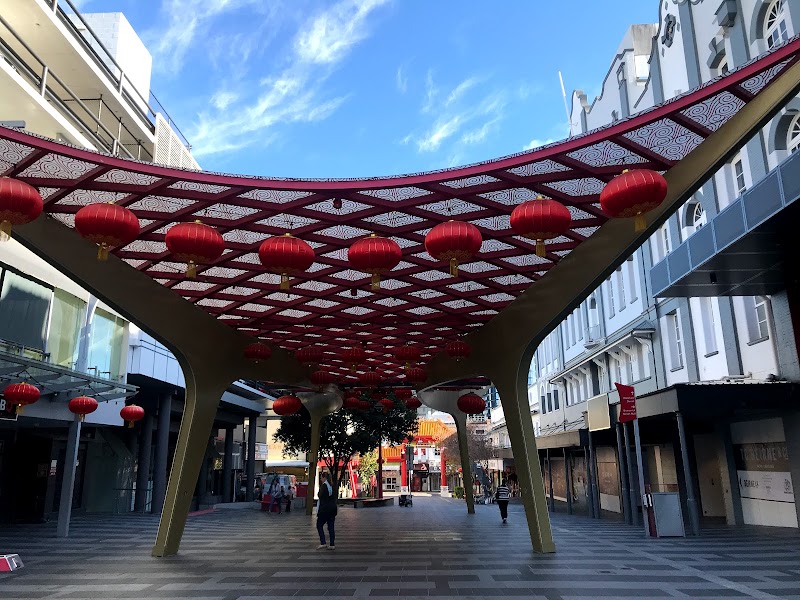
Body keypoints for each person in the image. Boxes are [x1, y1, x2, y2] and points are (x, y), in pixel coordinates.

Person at [316, 472, 337, 549]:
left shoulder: (324, 486)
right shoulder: (332, 485)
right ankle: (332, 544)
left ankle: (323, 542)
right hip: (332, 509)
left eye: (321, 477)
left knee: (319, 525)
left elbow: (320, 496)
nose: (321, 479)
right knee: (331, 527)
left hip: (325, 510)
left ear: (324, 478)